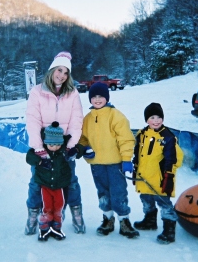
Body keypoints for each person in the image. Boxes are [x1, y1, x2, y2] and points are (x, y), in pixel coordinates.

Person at [25, 51, 85, 235]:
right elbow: (32, 119)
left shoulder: (72, 93)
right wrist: (38, 148)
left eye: (66, 72)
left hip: (64, 146)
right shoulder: (37, 92)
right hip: (43, 145)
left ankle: (76, 213)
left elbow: (77, 119)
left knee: (71, 181)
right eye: (59, 70)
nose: (62, 75)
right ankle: (33, 214)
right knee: (37, 181)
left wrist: (71, 145)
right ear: (52, 70)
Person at [78, 82, 139, 239]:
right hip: (97, 164)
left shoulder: (116, 116)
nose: (97, 100)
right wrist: (84, 149)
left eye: (101, 96)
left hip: (115, 163)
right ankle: (107, 219)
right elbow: (82, 139)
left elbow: (126, 139)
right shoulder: (87, 119)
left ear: (107, 98)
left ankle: (124, 221)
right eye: (94, 97)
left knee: (118, 192)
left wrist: (126, 159)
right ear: (90, 99)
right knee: (103, 193)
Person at [131, 102, 183, 244]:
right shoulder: (142, 134)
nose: (156, 121)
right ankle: (150, 221)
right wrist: (135, 168)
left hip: (161, 178)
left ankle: (169, 230)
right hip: (144, 176)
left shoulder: (168, 137)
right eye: (152, 117)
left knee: (164, 203)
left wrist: (168, 175)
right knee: (146, 199)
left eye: (159, 117)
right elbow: (138, 153)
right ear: (146, 119)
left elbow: (174, 158)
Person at [26, 121, 85, 241]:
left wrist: (78, 151)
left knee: (59, 206)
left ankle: (57, 225)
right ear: (46, 142)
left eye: (58, 144)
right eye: (51, 144)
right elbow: (29, 157)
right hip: (45, 186)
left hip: (59, 186)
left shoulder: (63, 151)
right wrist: (40, 161)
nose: (55, 147)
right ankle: (44, 225)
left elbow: (78, 149)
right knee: (47, 207)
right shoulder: (41, 152)